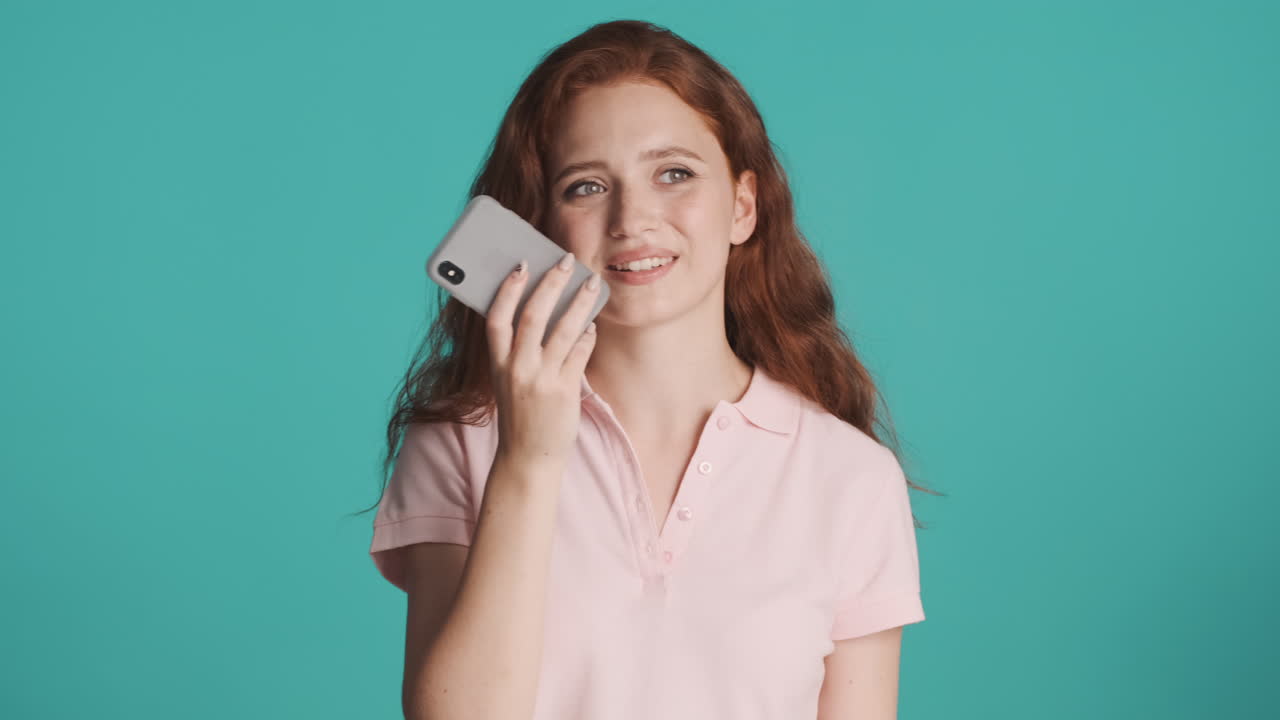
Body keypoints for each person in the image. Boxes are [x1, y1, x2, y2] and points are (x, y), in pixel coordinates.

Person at [361, 19, 939, 720]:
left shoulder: (851, 478)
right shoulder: (461, 440)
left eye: (675, 173)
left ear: (743, 205)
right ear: (542, 226)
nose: (633, 219)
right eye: (585, 187)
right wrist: (529, 459)